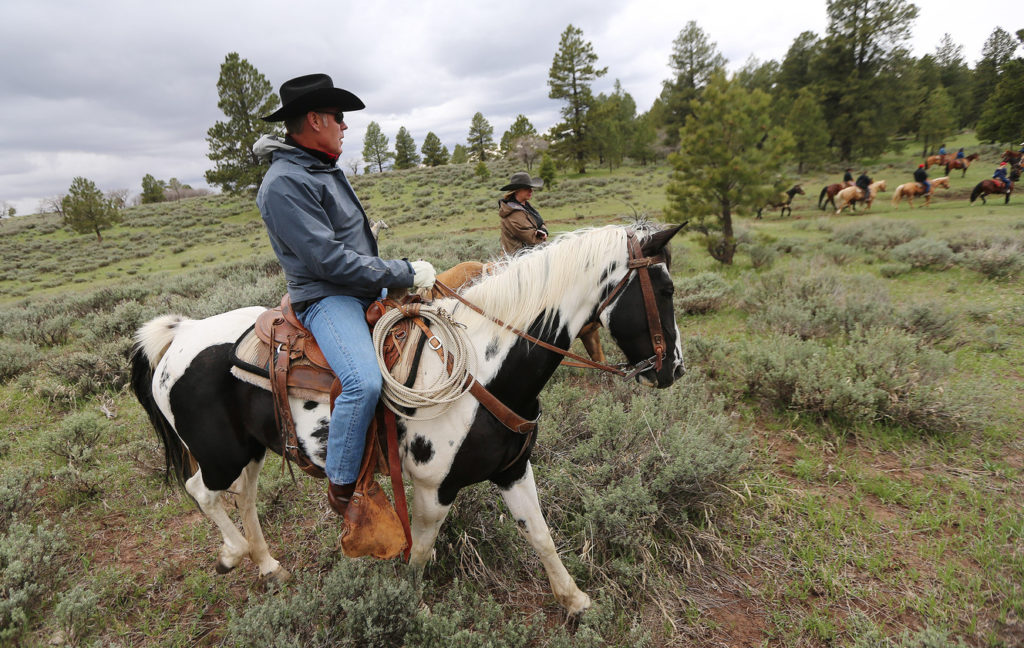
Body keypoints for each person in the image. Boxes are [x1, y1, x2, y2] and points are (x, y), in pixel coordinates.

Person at [253, 74, 436, 516]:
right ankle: (343, 491)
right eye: (338, 117)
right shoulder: (284, 183)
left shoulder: (320, 167)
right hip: (327, 296)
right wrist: (403, 272)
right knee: (363, 381)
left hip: (360, 285)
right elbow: (327, 261)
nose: (344, 126)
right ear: (314, 120)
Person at [498, 172, 548, 255]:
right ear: (516, 191)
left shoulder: (526, 207)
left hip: (531, 255)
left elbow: (541, 223)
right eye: (526, 188)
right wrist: (543, 234)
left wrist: (543, 230)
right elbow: (532, 240)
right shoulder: (512, 215)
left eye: (531, 188)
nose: (531, 190)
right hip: (518, 261)